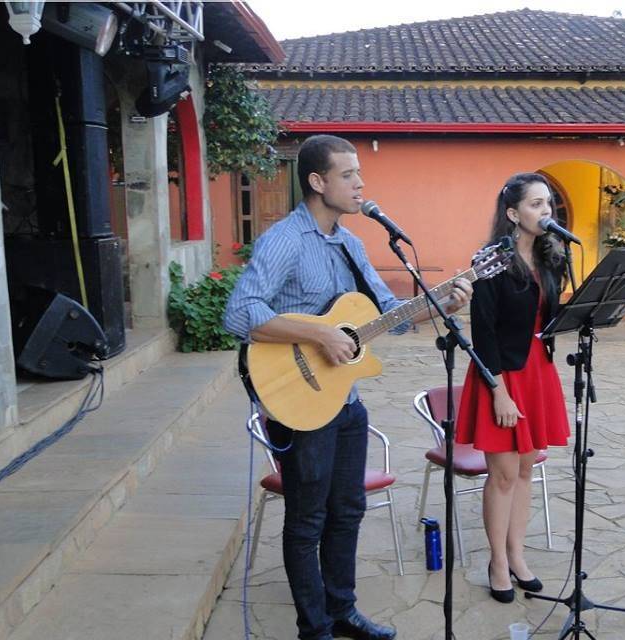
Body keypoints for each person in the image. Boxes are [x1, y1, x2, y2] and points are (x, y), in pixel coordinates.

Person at [224, 134, 472, 640]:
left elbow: (389, 318)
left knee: (348, 509)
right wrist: (319, 332)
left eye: (360, 174)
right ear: (318, 182)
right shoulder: (285, 240)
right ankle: (313, 629)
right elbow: (241, 312)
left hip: (344, 399)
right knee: (307, 517)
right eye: (348, 175)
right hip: (298, 401)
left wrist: (441, 304)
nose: (360, 184)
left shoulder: (352, 243)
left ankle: (342, 610)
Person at [455, 172, 571, 604]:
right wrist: (498, 391)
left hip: (537, 370)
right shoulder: (491, 260)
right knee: (502, 475)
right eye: (536, 204)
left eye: (549, 205)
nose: (546, 212)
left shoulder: (550, 256)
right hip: (500, 374)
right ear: (512, 213)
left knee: (526, 470)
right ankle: (497, 562)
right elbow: (482, 333)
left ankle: (517, 555)